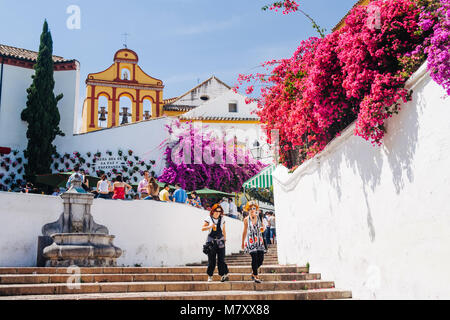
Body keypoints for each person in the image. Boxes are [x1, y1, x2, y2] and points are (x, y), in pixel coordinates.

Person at [201, 203, 229, 282]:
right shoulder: (209, 218)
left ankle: (223, 274)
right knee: (211, 260)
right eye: (216, 211)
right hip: (211, 241)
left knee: (221, 259)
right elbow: (203, 228)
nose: (217, 212)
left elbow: (224, 230)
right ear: (213, 211)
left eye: (219, 211)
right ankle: (210, 275)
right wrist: (210, 226)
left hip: (220, 240)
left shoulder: (222, 219)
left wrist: (225, 240)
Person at [241, 201, 266, 283]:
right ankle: (256, 275)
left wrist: (263, 229)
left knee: (261, 259)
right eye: (250, 209)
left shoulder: (259, 217)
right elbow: (244, 231)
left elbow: (263, 227)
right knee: (254, 258)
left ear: (256, 209)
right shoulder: (246, 219)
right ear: (248, 210)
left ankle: (253, 272)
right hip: (251, 240)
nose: (252, 210)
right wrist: (242, 242)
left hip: (259, 240)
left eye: (254, 208)